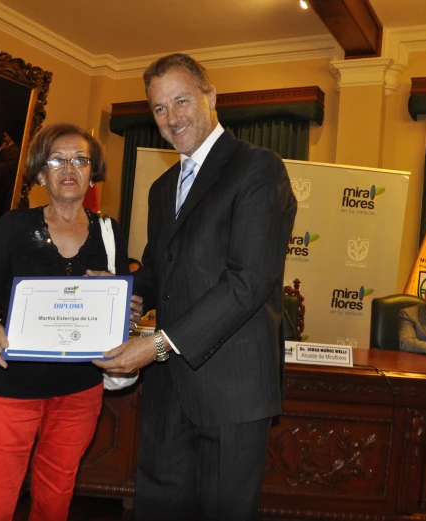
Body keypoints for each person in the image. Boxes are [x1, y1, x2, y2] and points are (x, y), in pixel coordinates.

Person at [94, 53, 297, 521]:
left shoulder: (258, 169)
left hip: (232, 390)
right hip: (168, 389)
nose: (171, 118)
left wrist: (156, 345)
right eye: (159, 109)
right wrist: (117, 292)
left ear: (211, 97)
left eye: (181, 101)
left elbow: (249, 281)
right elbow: (159, 266)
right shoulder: (163, 186)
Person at [0, 123, 142, 521]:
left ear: (92, 172)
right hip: (9, 386)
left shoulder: (110, 233)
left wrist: (126, 309)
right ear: (41, 173)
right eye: (57, 159)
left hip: (79, 390)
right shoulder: (13, 226)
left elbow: (116, 301)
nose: (70, 167)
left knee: (55, 498)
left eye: (81, 160)